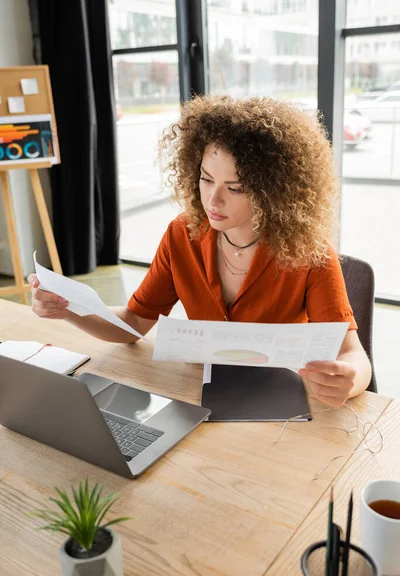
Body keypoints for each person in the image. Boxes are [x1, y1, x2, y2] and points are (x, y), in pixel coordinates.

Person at [28, 95, 371, 407]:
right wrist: (67, 308)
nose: (213, 200)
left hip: (281, 400)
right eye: (206, 179)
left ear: (274, 192)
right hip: (198, 396)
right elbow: (134, 323)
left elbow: (352, 354)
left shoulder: (309, 252)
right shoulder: (183, 235)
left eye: (235, 188)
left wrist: (349, 378)